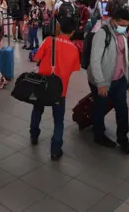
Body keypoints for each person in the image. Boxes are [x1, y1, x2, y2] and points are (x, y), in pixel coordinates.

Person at [30, 17, 80, 160]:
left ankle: (34, 135)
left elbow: (35, 59)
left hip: (42, 84)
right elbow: (73, 69)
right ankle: (55, 149)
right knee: (58, 120)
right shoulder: (74, 49)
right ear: (72, 32)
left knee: (37, 110)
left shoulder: (48, 41)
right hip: (59, 89)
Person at [88, 9, 129, 154]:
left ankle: (122, 137)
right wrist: (100, 83)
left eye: (126, 25)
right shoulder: (102, 34)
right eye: (122, 24)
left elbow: (123, 56)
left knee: (122, 108)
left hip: (119, 78)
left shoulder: (122, 34)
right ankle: (98, 134)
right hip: (103, 79)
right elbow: (94, 60)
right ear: (114, 20)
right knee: (100, 107)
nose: (124, 27)